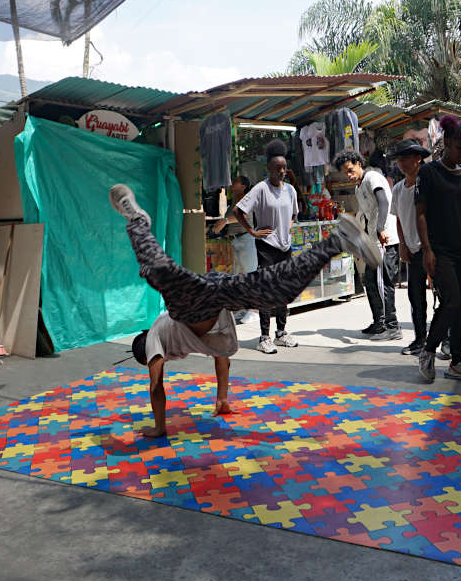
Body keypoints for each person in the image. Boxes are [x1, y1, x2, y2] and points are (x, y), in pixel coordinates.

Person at [109, 183, 375, 437]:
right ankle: (338, 240)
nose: (157, 363)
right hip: (216, 295)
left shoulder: (155, 338)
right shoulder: (187, 340)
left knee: (159, 270)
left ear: (146, 353)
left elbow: (156, 387)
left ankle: (137, 220)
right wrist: (222, 398)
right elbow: (221, 356)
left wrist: (159, 427)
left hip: (190, 305)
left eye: (150, 361)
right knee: (277, 290)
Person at [415, 115, 461, 384]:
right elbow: (420, 214)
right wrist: (427, 250)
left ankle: (457, 360)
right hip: (441, 250)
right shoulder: (428, 173)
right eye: (458, 148)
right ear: (445, 142)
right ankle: (428, 350)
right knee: (452, 300)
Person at [232, 140, 299, 354]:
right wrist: (252, 231)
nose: (282, 171)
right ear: (269, 169)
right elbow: (238, 211)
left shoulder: (290, 190)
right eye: (277, 168)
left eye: (284, 168)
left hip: (284, 247)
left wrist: (286, 229)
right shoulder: (261, 189)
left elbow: (295, 214)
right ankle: (264, 336)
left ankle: (281, 333)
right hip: (267, 247)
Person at [333, 147, 401, 341]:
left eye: (350, 169)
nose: (348, 175)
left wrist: (381, 229)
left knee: (383, 283)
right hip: (372, 241)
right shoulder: (359, 187)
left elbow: (383, 201)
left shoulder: (372, 178)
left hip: (385, 239)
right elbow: (364, 216)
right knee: (370, 281)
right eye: (345, 172)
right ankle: (379, 323)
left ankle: (393, 326)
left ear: (358, 164)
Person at [390, 138, 431, 356]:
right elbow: (398, 219)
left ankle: (445, 339)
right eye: (399, 159)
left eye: (406, 158)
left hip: (432, 249)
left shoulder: (429, 183)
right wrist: (403, 246)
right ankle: (420, 339)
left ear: (418, 158)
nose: (402, 163)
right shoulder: (398, 189)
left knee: (443, 296)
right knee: (416, 298)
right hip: (413, 251)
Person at [213, 175, 257, 321]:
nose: (232, 183)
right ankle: (243, 308)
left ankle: (254, 311)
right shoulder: (234, 201)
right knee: (239, 276)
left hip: (245, 239)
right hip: (236, 241)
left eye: (236, 181)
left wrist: (225, 221)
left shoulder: (246, 199)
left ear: (244, 186)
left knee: (249, 275)